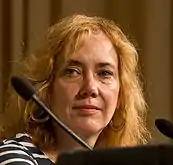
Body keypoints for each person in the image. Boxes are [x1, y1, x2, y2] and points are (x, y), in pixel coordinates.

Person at [0, 14, 151, 164]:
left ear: (121, 95)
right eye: (73, 72)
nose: (90, 88)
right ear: (46, 88)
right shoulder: (15, 156)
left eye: (104, 73)